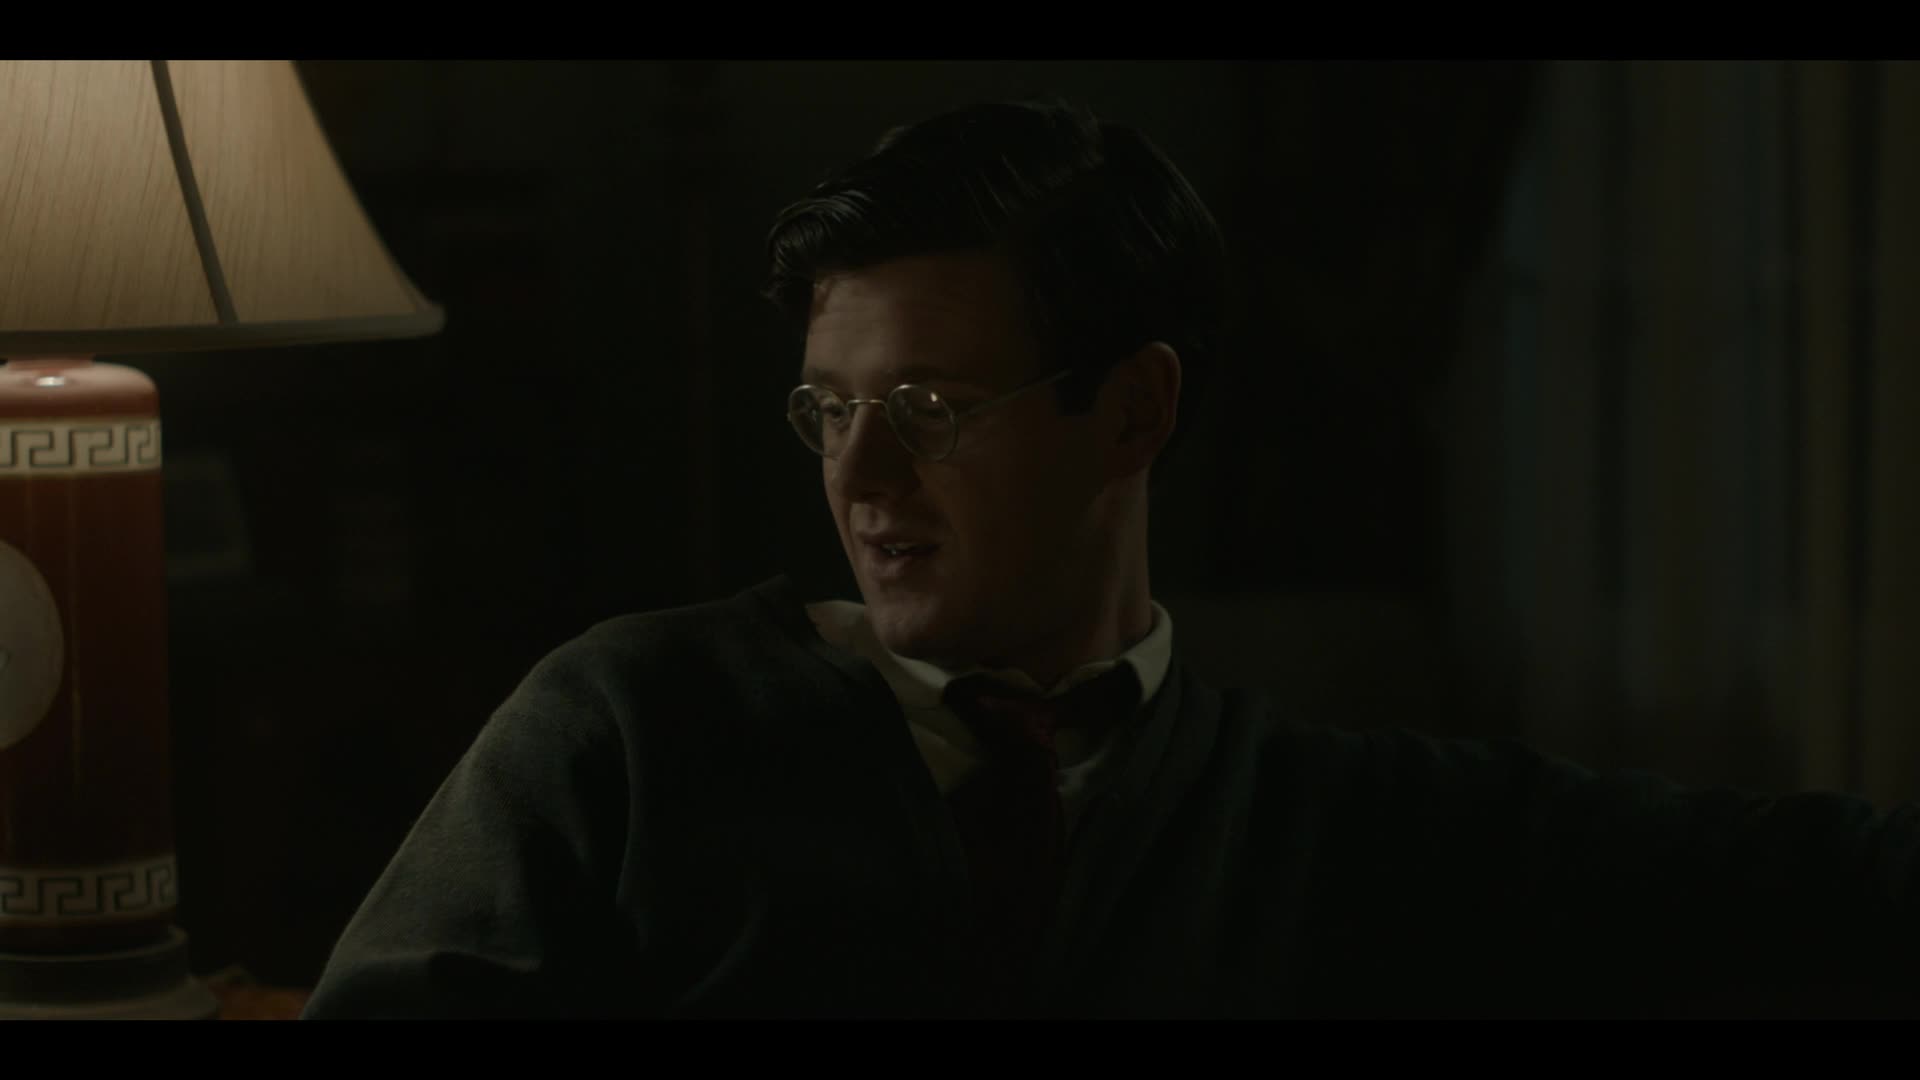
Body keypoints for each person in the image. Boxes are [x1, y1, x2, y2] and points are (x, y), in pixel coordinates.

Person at [302, 98, 1920, 1019]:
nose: (857, 477)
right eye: (830, 410)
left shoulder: (1334, 822)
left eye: (927, 409)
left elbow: (1817, 886)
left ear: (1133, 411)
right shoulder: (632, 726)